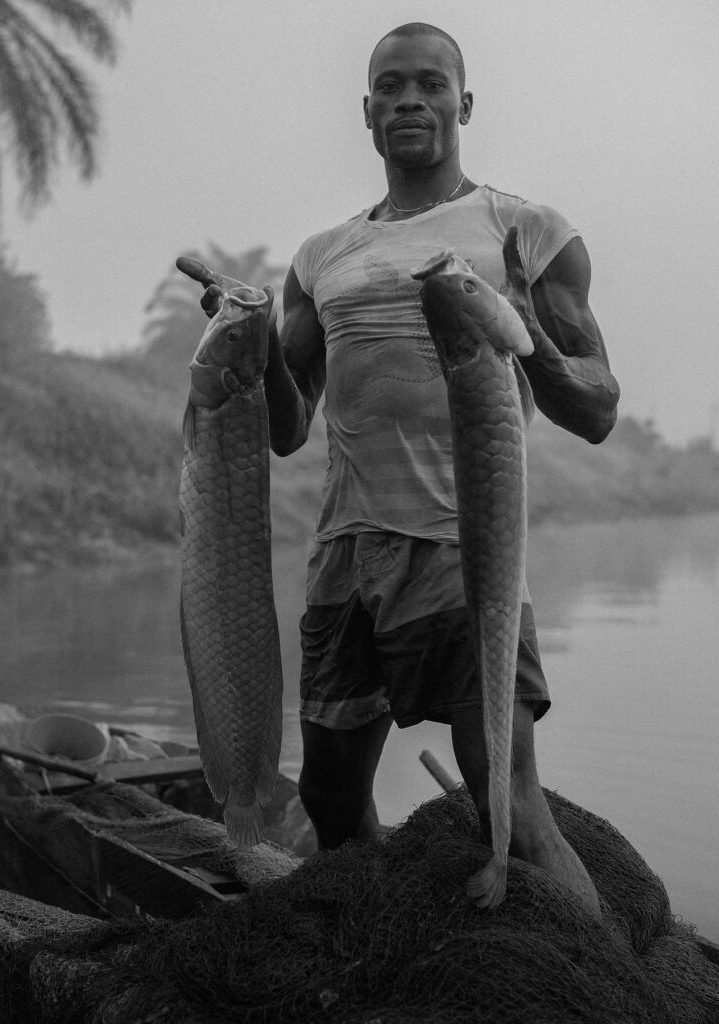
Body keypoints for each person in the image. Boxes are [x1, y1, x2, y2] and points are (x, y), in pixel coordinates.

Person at [188, 23, 619, 918]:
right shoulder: (322, 255)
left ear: (464, 105)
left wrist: (513, 326)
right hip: (348, 560)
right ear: (367, 112)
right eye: (390, 86)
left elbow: (596, 407)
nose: (409, 100)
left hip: (465, 555)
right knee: (332, 804)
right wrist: (254, 330)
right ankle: (388, 950)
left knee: (513, 805)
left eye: (431, 84)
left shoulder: (525, 230)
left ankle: (618, 984)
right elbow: (286, 429)